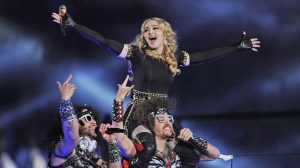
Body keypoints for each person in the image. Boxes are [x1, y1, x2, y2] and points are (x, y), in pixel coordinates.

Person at [51, 10, 257, 165]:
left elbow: (204, 56)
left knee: (190, 154)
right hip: (138, 113)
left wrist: (237, 47)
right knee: (147, 147)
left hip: (161, 114)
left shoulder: (175, 58)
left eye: (154, 28)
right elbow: (104, 41)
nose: (149, 32)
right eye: (146, 30)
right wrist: (73, 24)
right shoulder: (135, 53)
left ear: (165, 34)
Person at [47, 74, 122, 168]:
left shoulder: (92, 156)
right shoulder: (64, 147)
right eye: (88, 118)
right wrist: (65, 101)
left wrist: (112, 142)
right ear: (76, 122)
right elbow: (72, 136)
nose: (94, 122)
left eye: (94, 118)